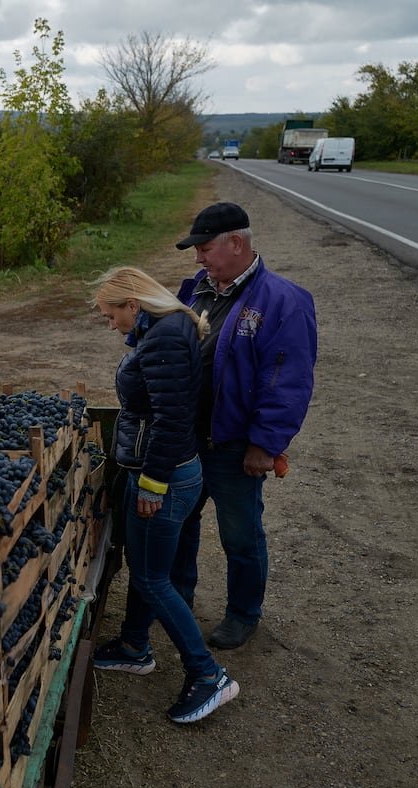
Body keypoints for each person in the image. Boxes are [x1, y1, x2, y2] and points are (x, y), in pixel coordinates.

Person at [90, 266, 240, 724]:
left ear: (132, 304)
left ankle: (208, 675)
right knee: (146, 568)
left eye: (109, 314)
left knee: (155, 578)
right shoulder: (162, 329)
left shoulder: (164, 339)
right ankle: (135, 646)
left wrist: (152, 484)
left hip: (166, 478)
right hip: (163, 472)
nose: (109, 323)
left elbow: (172, 420)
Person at [172, 201, 318, 649]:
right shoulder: (197, 289)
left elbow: (285, 381)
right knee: (180, 523)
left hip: (234, 445)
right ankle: (178, 599)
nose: (197, 257)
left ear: (237, 243)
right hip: (188, 438)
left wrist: (265, 444)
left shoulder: (282, 301)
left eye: (204, 248)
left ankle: (243, 613)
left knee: (240, 534)